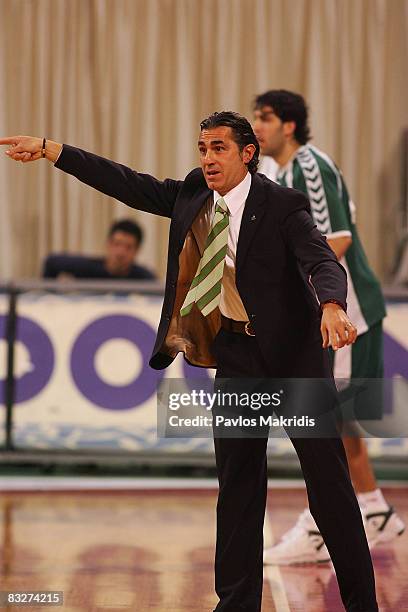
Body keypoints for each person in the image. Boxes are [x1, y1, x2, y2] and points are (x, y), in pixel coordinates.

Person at [0, 114, 378, 612]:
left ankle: (363, 606)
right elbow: (129, 184)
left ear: (247, 154)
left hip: (295, 361)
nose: (207, 158)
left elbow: (321, 260)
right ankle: (236, 604)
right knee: (238, 489)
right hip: (238, 356)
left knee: (329, 491)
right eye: (202, 147)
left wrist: (331, 304)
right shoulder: (195, 192)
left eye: (219, 148)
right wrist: (54, 150)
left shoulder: (283, 205)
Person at [253, 89, 405, 566]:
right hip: (328, 312)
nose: (257, 126)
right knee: (337, 423)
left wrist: (286, 286)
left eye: (266, 117)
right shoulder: (277, 172)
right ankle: (376, 514)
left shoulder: (309, 165)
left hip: (345, 312)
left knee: (324, 422)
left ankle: (323, 526)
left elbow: (335, 239)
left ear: (290, 126)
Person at [43, 218, 156, 280]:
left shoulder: (145, 279)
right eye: (117, 244)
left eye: (128, 247)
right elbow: (51, 262)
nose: (121, 252)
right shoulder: (87, 268)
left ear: (137, 251)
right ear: (108, 244)